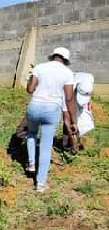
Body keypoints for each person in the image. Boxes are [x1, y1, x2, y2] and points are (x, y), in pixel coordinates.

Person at [26, 47, 77, 192]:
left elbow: (30, 90)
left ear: (53, 56)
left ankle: (31, 163)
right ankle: (40, 184)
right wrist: (73, 120)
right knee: (46, 146)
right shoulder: (67, 73)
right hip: (52, 109)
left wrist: (31, 80)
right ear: (65, 60)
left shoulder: (40, 67)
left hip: (35, 105)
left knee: (31, 133)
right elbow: (69, 98)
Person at [62, 72, 94, 152]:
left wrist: (75, 123)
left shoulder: (90, 79)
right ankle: (65, 144)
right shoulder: (69, 85)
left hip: (79, 89)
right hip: (70, 91)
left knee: (82, 116)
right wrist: (72, 139)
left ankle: (75, 137)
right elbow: (66, 116)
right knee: (69, 116)